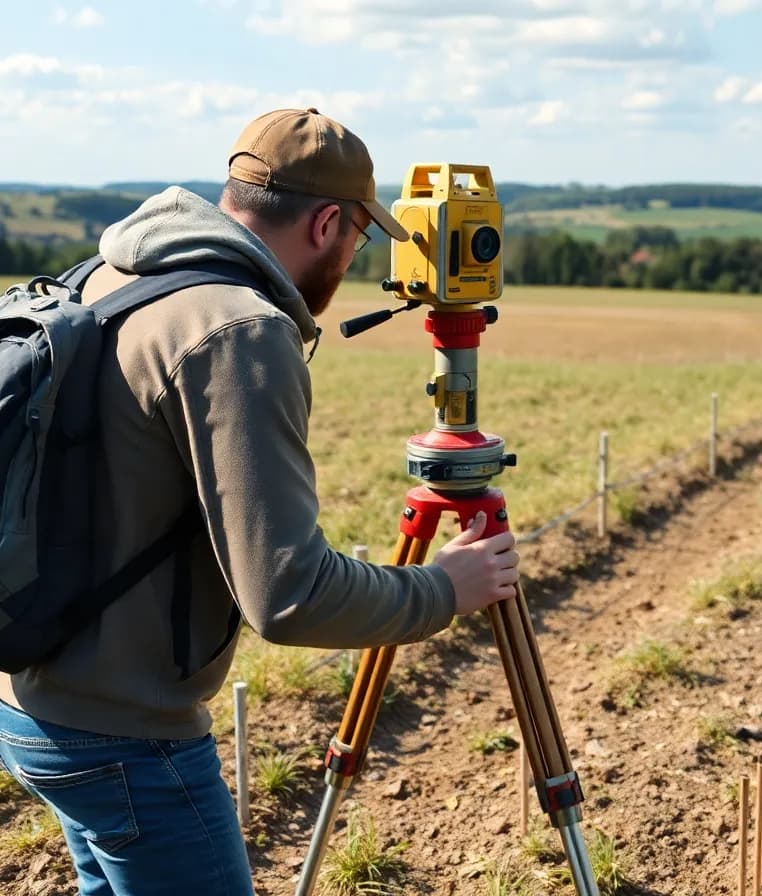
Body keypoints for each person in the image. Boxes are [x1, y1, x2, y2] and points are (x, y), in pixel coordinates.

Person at [0, 108, 520, 895]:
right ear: (324, 223)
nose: (356, 256)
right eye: (358, 237)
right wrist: (445, 589)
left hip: (30, 700)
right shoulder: (237, 329)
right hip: (126, 734)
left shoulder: (113, 274)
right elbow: (291, 595)